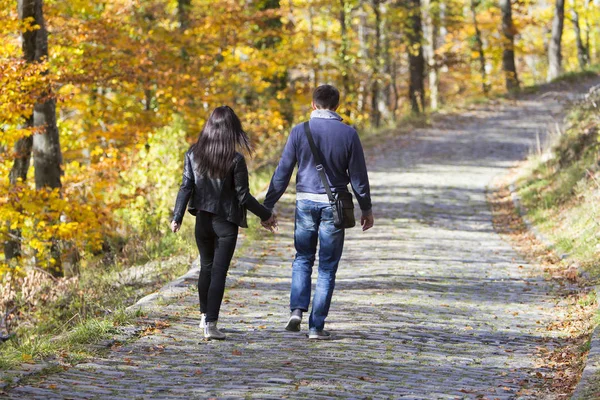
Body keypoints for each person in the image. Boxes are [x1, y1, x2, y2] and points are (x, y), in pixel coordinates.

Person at [263, 84, 374, 340]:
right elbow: (358, 177)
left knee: (302, 258)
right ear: (337, 105)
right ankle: (316, 327)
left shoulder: (299, 131)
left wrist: (267, 206)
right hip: (334, 206)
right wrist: (366, 208)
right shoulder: (348, 134)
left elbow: (283, 172)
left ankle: (296, 311)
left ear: (313, 105)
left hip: (305, 203)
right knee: (326, 267)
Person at [171, 106, 277, 340]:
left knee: (206, 267)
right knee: (219, 271)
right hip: (225, 223)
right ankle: (211, 324)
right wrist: (265, 214)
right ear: (232, 129)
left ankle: (203, 317)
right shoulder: (234, 159)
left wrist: (176, 216)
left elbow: (186, 186)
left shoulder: (193, 153)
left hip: (202, 222)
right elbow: (243, 196)